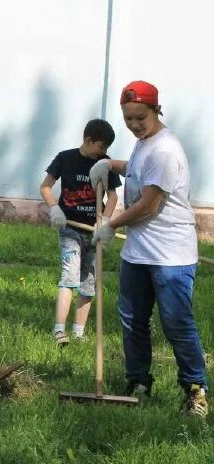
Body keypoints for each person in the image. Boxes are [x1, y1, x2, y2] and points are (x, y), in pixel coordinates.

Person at [92, 80, 208, 417]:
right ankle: (139, 381)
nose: (134, 124)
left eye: (140, 117)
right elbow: (139, 169)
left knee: (176, 322)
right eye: (128, 119)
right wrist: (113, 165)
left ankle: (195, 389)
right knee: (132, 320)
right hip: (138, 252)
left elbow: (149, 204)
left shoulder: (165, 149)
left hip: (170, 255)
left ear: (157, 110)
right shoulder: (145, 143)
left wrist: (110, 224)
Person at [39, 119, 120, 346]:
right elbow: (45, 186)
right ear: (88, 140)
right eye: (101, 146)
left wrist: (104, 221)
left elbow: (112, 196)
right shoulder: (65, 158)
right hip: (70, 229)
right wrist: (54, 207)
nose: (104, 152)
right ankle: (59, 330)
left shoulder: (105, 163)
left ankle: (79, 332)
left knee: (89, 281)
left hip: (93, 231)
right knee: (69, 276)